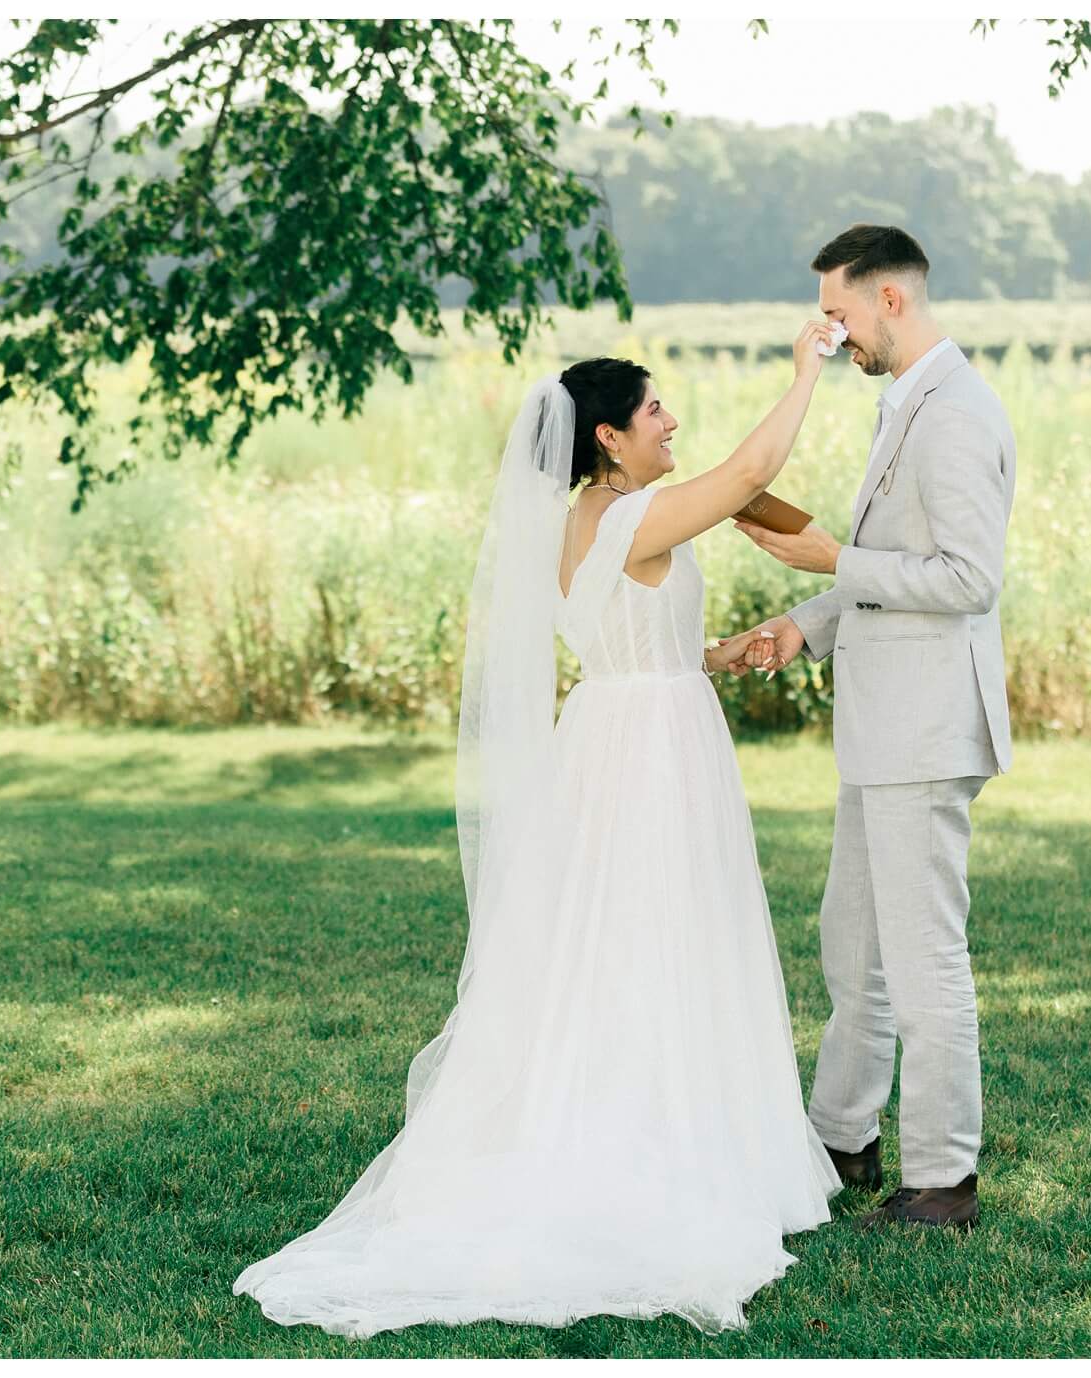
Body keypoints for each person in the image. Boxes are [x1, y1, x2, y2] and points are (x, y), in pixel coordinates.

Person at [234, 319, 843, 1338]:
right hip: (648, 752)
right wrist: (804, 369)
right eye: (652, 410)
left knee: (621, 939)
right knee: (655, 933)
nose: (668, 420)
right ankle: (655, 1146)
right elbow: (751, 472)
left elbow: (631, 637)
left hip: (619, 727)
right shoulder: (631, 515)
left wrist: (708, 654)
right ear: (607, 437)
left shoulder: (583, 524)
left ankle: (656, 1115)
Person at [729, 224, 1017, 1233]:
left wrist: (825, 566)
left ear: (888, 300)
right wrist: (797, 629)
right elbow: (878, 561)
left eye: (839, 313)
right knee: (852, 945)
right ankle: (839, 1135)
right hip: (881, 728)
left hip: (926, 731)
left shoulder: (951, 414)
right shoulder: (908, 402)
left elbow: (966, 581)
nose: (832, 331)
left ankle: (942, 1177)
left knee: (922, 955)